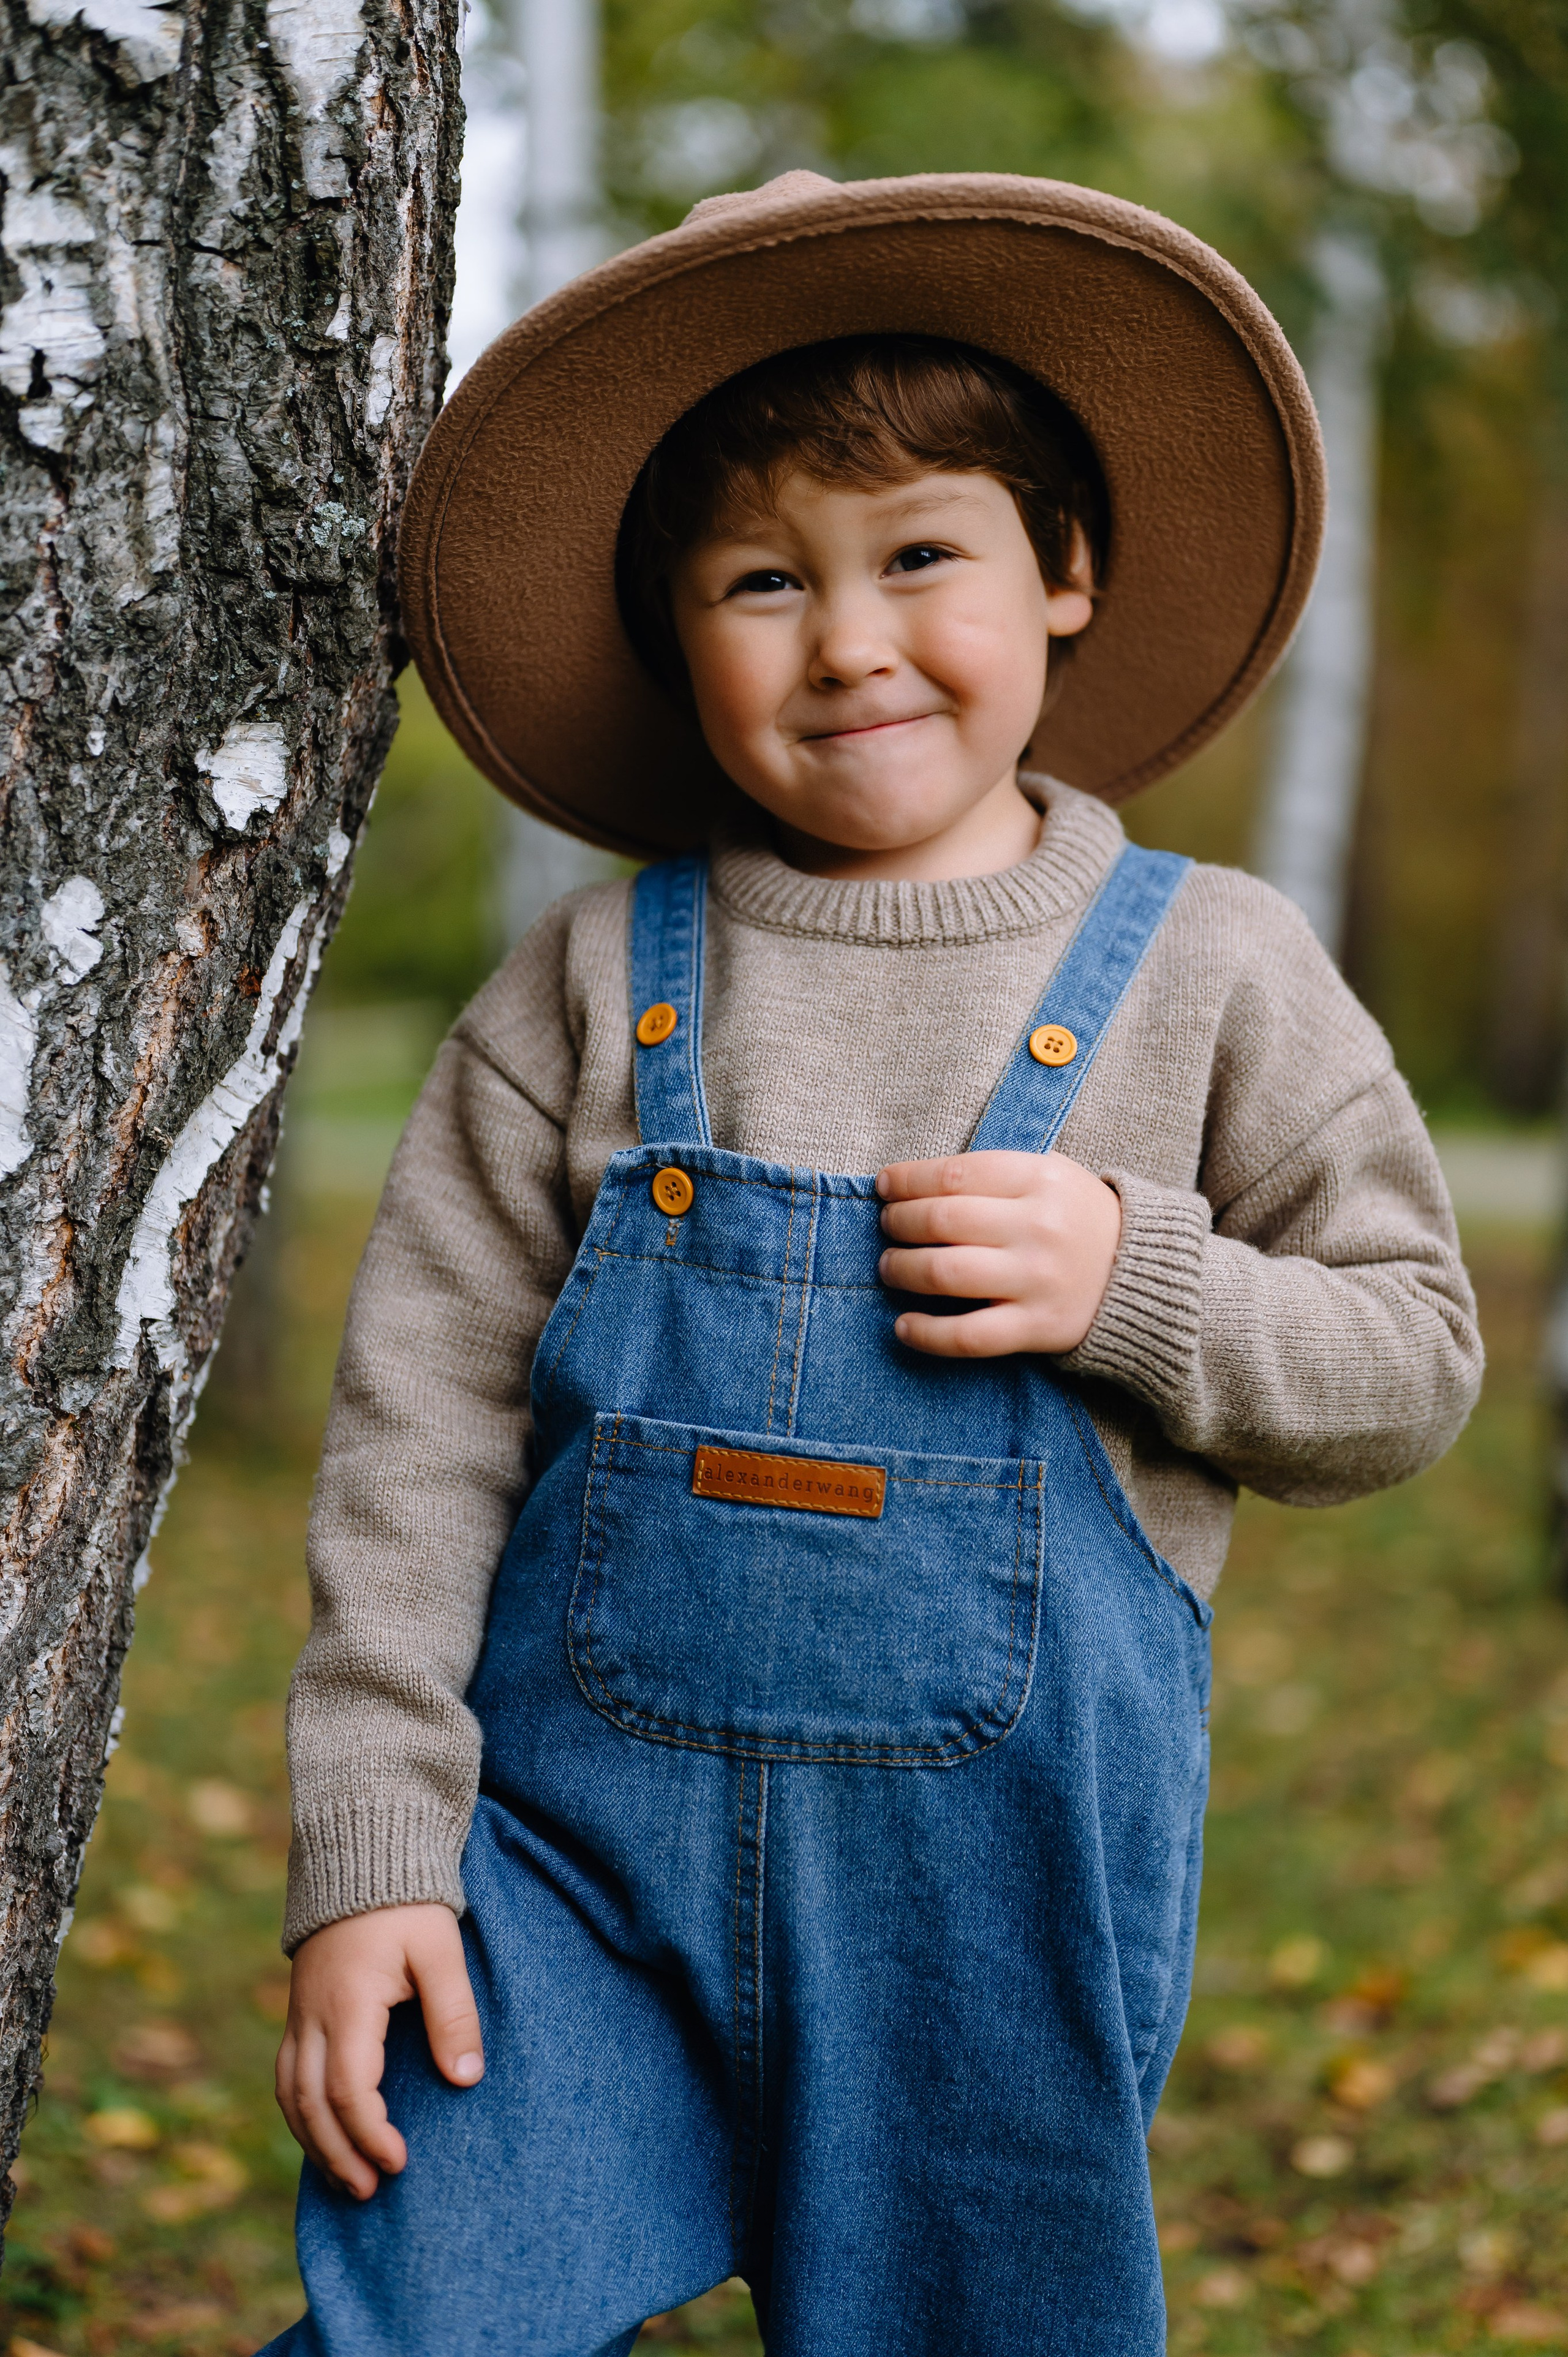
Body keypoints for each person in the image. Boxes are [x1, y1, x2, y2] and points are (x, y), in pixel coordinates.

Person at [262, 173, 1481, 2356]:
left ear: (1068, 573)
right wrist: (366, 1853)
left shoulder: (1212, 970)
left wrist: (1144, 1282)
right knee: (422, 2319)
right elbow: (416, 1434)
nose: (846, 638)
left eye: (922, 551)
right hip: (563, 1896)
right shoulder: (587, 982)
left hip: (983, 1943)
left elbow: (1412, 1358)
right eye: (760, 579)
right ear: (675, 636)